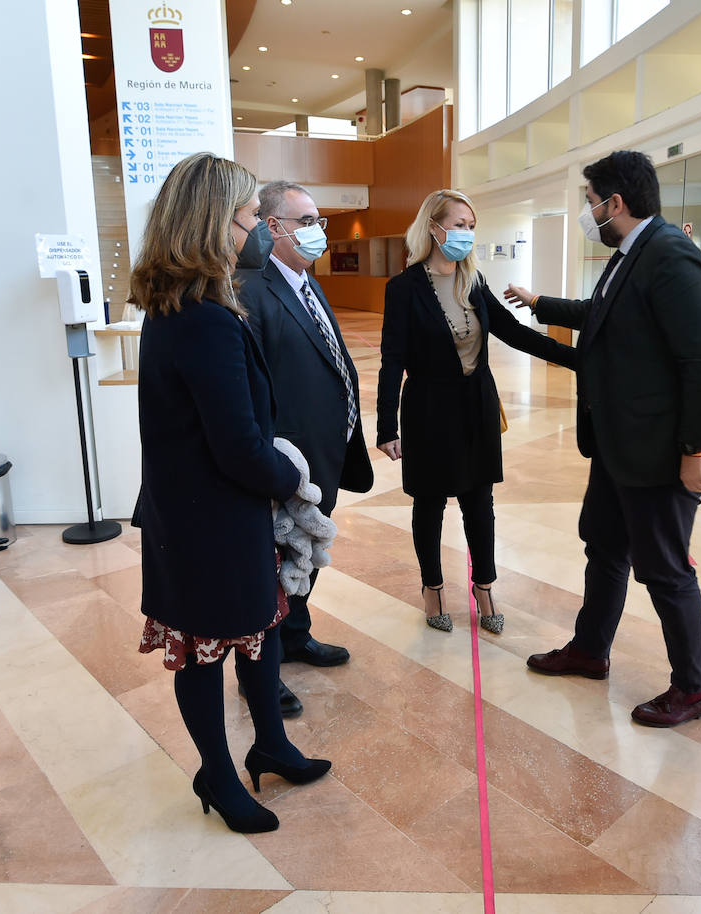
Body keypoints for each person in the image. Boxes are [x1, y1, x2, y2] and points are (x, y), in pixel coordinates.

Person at [132, 153, 331, 834]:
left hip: (204, 515)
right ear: (213, 224)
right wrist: (294, 479)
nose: (254, 230)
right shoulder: (205, 318)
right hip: (209, 521)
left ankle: (269, 743)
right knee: (206, 648)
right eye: (248, 217)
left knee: (260, 627)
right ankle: (217, 774)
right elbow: (239, 446)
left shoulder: (178, 306)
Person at [504, 150, 701, 728]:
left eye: (590, 203)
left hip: (661, 450)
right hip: (618, 442)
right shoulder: (630, 253)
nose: (589, 213)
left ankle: (694, 687)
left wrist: (695, 451)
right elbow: (604, 314)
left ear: (616, 203)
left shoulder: (671, 255)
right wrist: (540, 305)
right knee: (604, 546)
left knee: (664, 568)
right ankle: (590, 649)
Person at [376, 189, 575, 634]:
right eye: (459, 225)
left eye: (471, 226)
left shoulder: (474, 281)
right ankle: (432, 589)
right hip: (428, 406)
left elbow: (513, 333)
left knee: (479, 502)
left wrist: (577, 359)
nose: (467, 234)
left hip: (476, 404)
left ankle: (484, 586)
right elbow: (392, 360)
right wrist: (386, 425)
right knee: (430, 504)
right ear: (434, 227)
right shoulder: (404, 288)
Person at [238, 180, 374, 717]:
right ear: (273, 227)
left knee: (305, 558)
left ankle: (296, 636)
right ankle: (260, 674)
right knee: (274, 565)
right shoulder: (253, 287)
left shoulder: (305, 282)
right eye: (309, 221)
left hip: (323, 453)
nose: (320, 230)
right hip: (285, 461)